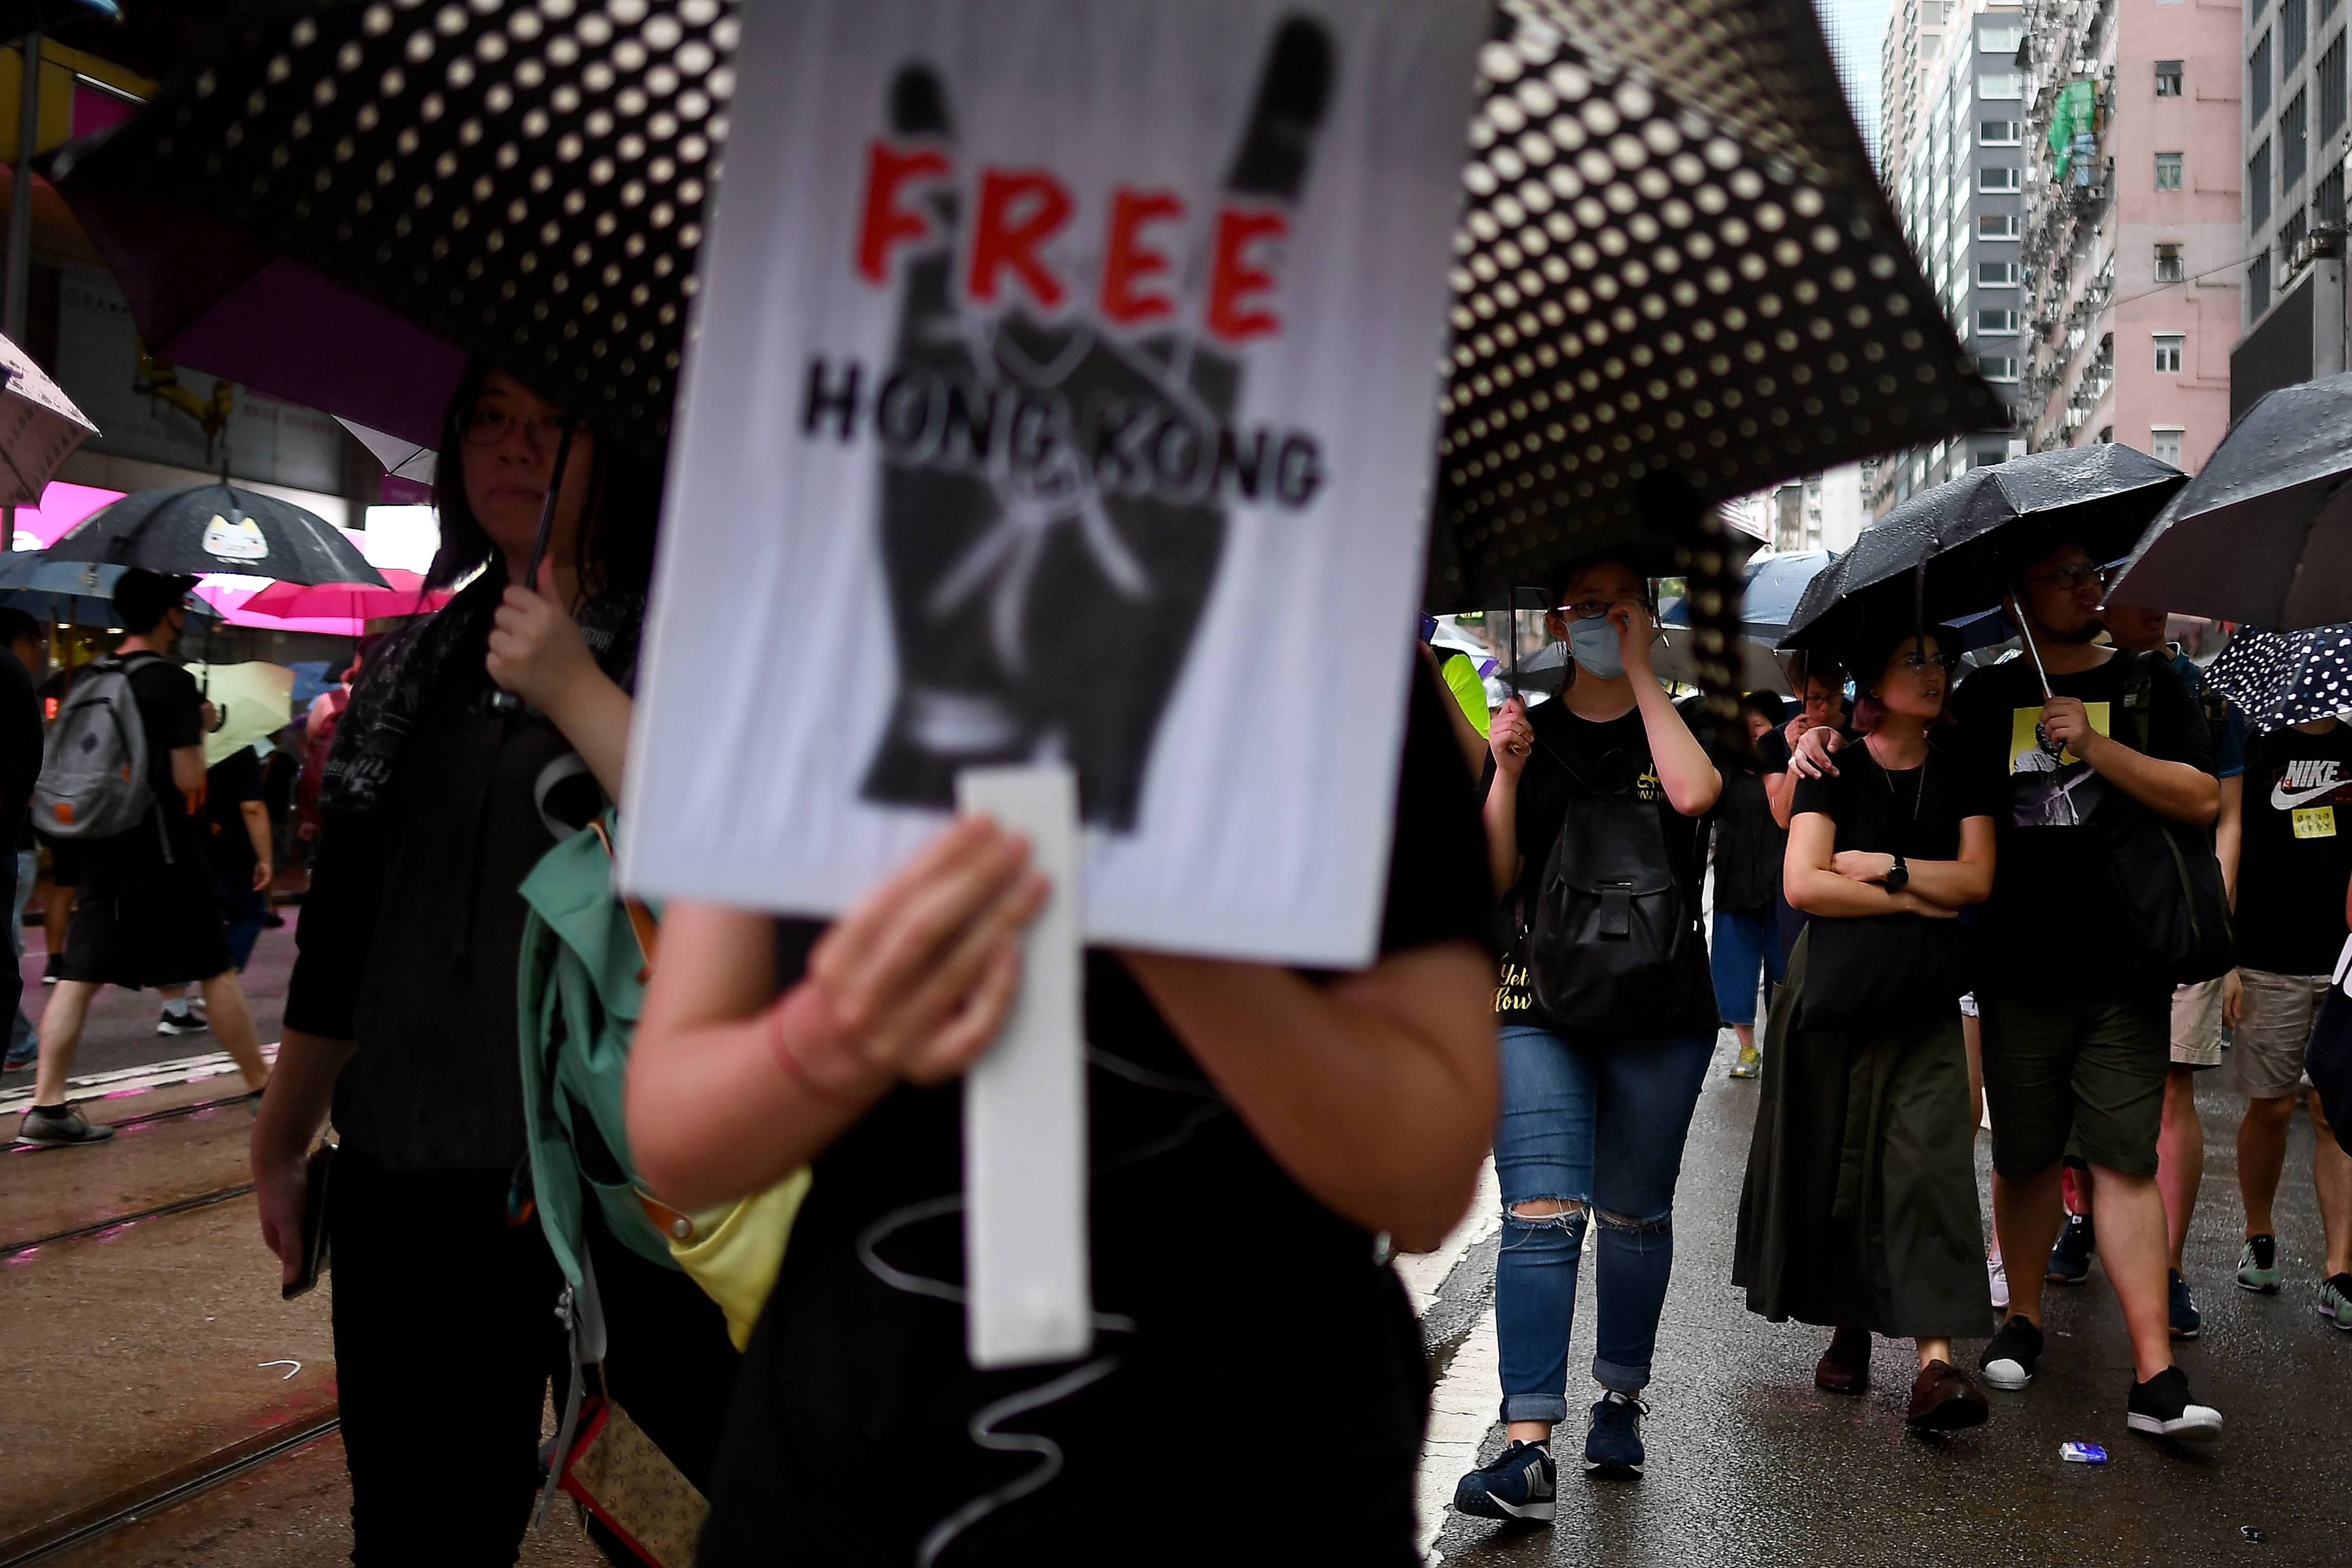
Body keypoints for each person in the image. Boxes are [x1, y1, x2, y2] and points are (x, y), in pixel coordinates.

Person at [625, 660, 1494, 1562]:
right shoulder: (805, 646)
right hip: (861, 1472)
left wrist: (1150, 906)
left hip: (1261, 1475)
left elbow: (1426, 1178)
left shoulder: (1330, 653)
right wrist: (832, 1035)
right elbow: (678, 1137)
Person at [248, 365, 739, 1562]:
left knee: (660, 1525)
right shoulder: (409, 671)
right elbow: (347, 938)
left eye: (551, 422)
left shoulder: (687, 645)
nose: (514, 448)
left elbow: (736, 863)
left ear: (609, 447)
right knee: (422, 1528)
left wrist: (573, 683)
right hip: (414, 1194)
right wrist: (280, 1135)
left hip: (622, 1210)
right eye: (487, 420)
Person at [1793, 538, 2224, 1442]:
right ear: (2020, 595)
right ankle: (2020, 1320)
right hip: (2019, 967)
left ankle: (2156, 1375)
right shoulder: (1988, 695)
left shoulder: (2151, 682)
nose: (2085, 586)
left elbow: (2199, 798)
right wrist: (1820, 741)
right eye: (2062, 574)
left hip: (2127, 964)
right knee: (2024, 1154)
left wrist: (2097, 745)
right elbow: (1900, 748)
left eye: (2090, 571)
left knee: (2123, 1158)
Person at [1454, 555, 1720, 1513]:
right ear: (1558, 625)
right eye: (1587, 607)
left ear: (1648, 615)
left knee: (1635, 1215)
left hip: (1660, 1009)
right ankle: (1526, 1446)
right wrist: (1505, 770)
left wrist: (1646, 673)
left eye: (1624, 603)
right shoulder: (1526, 731)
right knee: (1539, 1211)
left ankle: (1621, 1396)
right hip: (1536, 1003)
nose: (1606, 618)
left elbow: (1694, 797)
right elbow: (1494, 877)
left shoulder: (1686, 726)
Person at [1734, 624, 1996, 1431]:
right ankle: (1848, 1325)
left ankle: (1935, 1365)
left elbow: (1977, 880)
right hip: (1834, 989)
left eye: (1939, 659)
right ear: (1872, 681)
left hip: (1920, 993)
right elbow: (1806, 884)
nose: (1932, 672)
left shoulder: (1963, 768)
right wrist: (1924, 897)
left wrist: (1887, 869)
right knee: (1838, 1155)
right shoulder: (1830, 762)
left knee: (1928, 1159)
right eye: (1910, 657)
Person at [19, 573, 271, 1147]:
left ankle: (47, 1105)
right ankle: (261, 1086)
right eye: (181, 606)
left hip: (101, 846)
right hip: (165, 852)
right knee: (215, 969)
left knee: (78, 975)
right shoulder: (170, 682)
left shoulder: (93, 674)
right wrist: (200, 728)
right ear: (170, 616)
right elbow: (189, 781)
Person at [2056, 603, 2247, 1338]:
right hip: (2085, 926)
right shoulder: (2063, 685)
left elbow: (2221, 816)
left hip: (2178, 921)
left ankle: (2165, 1270)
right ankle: (2079, 1223)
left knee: (2172, 1094)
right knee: (2075, 1093)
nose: (2146, 605)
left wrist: (2215, 937)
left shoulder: (2202, 697)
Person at [2224, 708, 2352, 1327]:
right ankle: (2259, 1232)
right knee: (2271, 1105)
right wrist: (2226, 957)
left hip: (2345, 960)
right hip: (2267, 956)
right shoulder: (2255, 745)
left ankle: (2339, 1269)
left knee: (2334, 1112)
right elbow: (2232, 839)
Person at [1712, 691, 1791, 1078]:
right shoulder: (1723, 768)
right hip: (1735, 879)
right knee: (1735, 967)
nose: (1752, 736)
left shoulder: (1790, 769)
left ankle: (1781, 1045)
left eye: (1759, 727)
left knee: (1785, 968)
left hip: (1782, 883)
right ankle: (1748, 1049)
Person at [0, 609, 41, 1071]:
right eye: (37, 641)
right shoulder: (10, 677)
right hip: (13, 846)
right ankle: (19, 1038)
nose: (42, 652)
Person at [199, 741, 274, 971]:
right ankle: (224, 982)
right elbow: (252, 807)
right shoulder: (236, 745)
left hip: (176, 840)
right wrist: (265, 859)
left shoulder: (165, 738)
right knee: (249, 913)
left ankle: (175, 1000)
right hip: (225, 842)